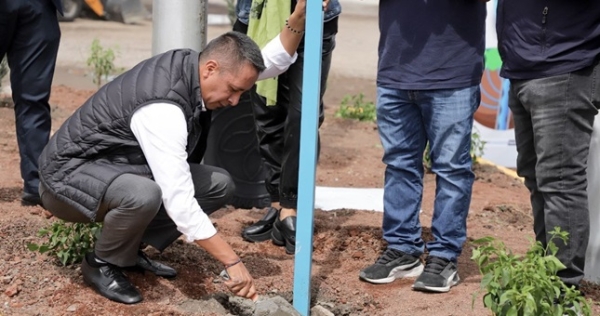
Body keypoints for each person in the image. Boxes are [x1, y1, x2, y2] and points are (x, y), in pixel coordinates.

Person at [37, 0, 311, 305]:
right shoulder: (164, 106)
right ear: (210, 69)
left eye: (240, 93)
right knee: (144, 194)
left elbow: (268, 63)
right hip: (65, 179)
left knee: (218, 183)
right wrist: (232, 262)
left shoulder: (202, 70)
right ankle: (102, 263)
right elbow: (179, 200)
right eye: (233, 90)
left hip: (113, 166)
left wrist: (298, 19)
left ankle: (128, 251)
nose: (235, 101)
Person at [358, 1, 486, 293]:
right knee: (399, 165)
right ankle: (402, 247)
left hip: (452, 70)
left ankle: (444, 255)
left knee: (452, 168)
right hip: (396, 69)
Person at [497, 0, 600, 291]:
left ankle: (562, 289)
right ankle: (546, 271)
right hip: (522, 64)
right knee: (536, 177)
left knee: (560, 181)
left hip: (565, 61)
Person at [237, 0, 341, 255]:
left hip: (314, 17)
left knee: (303, 115)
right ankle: (277, 205)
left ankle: (291, 206)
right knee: (266, 114)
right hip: (258, 15)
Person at [0, 0, 62, 206]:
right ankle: (36, 183)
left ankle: (36, 184)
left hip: (38, 7)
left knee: (33, 97)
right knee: (32, 101)